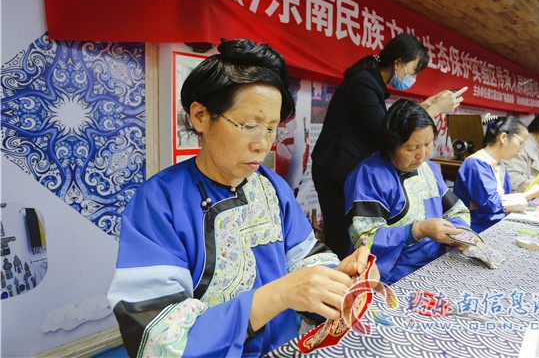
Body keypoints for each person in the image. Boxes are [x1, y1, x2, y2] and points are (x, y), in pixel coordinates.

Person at [107, 39, 374, 358]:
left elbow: (305, 258)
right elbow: (159, 338)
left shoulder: (272, 187)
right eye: (249, 126)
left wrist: (338, 276)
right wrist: (280, 294)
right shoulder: (158, 203)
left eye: (272, 129)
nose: (263, 144)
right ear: (200, 116)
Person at [311, 33, 467, 260]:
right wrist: (432, 111)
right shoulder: (363, 83)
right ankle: (340, 274)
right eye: (413, 71)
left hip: (346, 164)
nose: (421, 154)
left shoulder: (370, 83)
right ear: (398, 63)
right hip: (335, 168)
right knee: (342, 236)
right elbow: (387, 131)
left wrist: (422, 110)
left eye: (427, 144)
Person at [343, 99, 470, 284]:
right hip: (393, 278)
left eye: (428, 144)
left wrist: (458, 233)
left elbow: (455, 211)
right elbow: (365, 239)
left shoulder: (429, 169)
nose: (422, 155)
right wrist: (418, 230)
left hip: (435, 265)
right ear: (390, 145)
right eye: (411, 148)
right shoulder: (370, 175)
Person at [454, 117, 539, 233]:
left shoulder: (499, 164)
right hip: (476, 229)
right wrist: (528, 195)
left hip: (493, 224)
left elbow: (503, 196)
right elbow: (491, 205)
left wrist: (526, 187)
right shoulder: (476, 164)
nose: (521, 149)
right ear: (503, 137)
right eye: (521, 143)